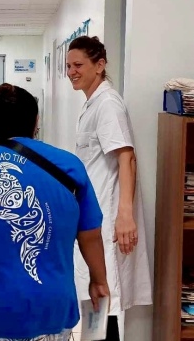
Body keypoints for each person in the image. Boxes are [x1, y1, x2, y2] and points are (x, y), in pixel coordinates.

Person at [0, 83, 110, 341]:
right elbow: (90, 236)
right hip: (50, 310)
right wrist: (99, 280)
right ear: (36, 121)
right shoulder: (70, 166)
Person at [67, 35, 153, 340]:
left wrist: (125, 215)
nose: (71, 72)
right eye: (68, 66)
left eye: (78, 65)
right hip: (94, 212)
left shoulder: (107, 103)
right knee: (96, 294)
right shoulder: (93, 103)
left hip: (107, 215)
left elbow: (127, 158)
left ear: (100, 65)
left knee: (105, 297)